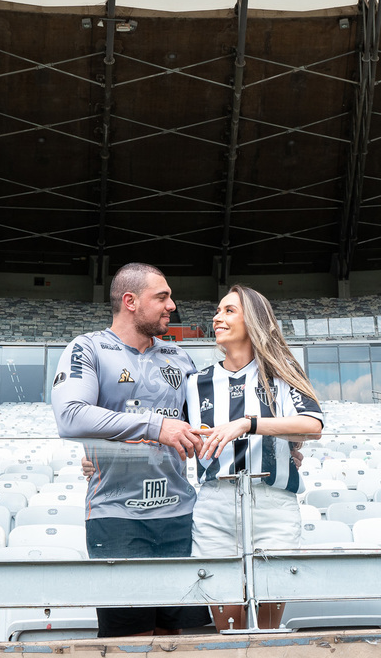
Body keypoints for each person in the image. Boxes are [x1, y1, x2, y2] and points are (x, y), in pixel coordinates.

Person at [51, 262, 210, 638]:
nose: (172, 305)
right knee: (129, 642)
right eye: (162, 297)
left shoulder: (179, 357)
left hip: (180, 515)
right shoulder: (88, 348)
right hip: (117, 516)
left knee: (178, 638)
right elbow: (70, 416)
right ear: (130, 301)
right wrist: (156, 427)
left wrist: (280, 443)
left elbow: (205, 425)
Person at [186, 284, 324, 631]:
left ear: (255, 321)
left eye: (229, 310)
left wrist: (248, 424)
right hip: (215, 505)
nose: (217, 317)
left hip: (272, 505)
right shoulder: (195, 382)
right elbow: (170, 432)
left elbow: (312, 425)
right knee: (229, 624)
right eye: (217, 310)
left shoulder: (282, 373)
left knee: (267, 626)